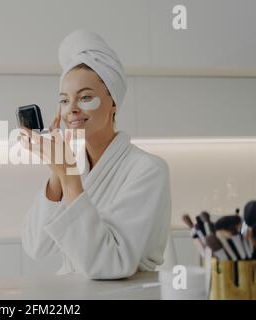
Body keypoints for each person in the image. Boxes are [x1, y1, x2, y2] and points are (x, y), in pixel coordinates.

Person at [20, 30, 172, 279]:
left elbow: (110, 264)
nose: (72, 110)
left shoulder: (148, 170)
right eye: (65, 100)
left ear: (113, 103)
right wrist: (57, 172)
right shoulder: (73, 165)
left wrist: (69, 177)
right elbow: (36, 246)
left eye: (86, 97)